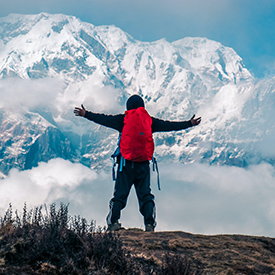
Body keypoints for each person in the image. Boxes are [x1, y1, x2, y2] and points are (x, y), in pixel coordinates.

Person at [74, 94, 201, 232]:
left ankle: (113, 223)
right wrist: (189, 123)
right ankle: (149, 224)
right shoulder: (149, 121)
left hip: (125, 164)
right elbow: (169, 125)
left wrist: (86, 114)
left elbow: (103, 119)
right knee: (145, 196)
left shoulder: (122, 120)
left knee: (119, 196)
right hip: (143, 165)